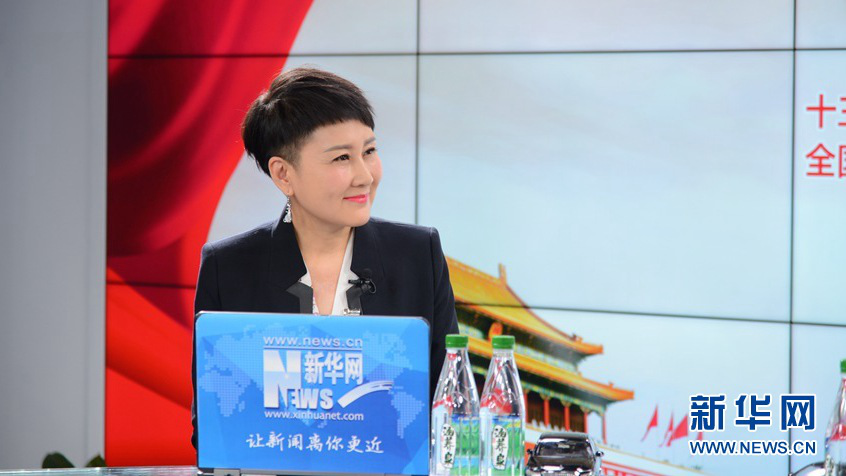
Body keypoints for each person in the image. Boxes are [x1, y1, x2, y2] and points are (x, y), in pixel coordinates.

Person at [191, 67, 459, 447]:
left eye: (369, 151)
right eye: (341, 158)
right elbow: (214, 429)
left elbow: (450, 407)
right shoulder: (229, 267)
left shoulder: (418, 255)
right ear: (284, 175)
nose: (365, 176)